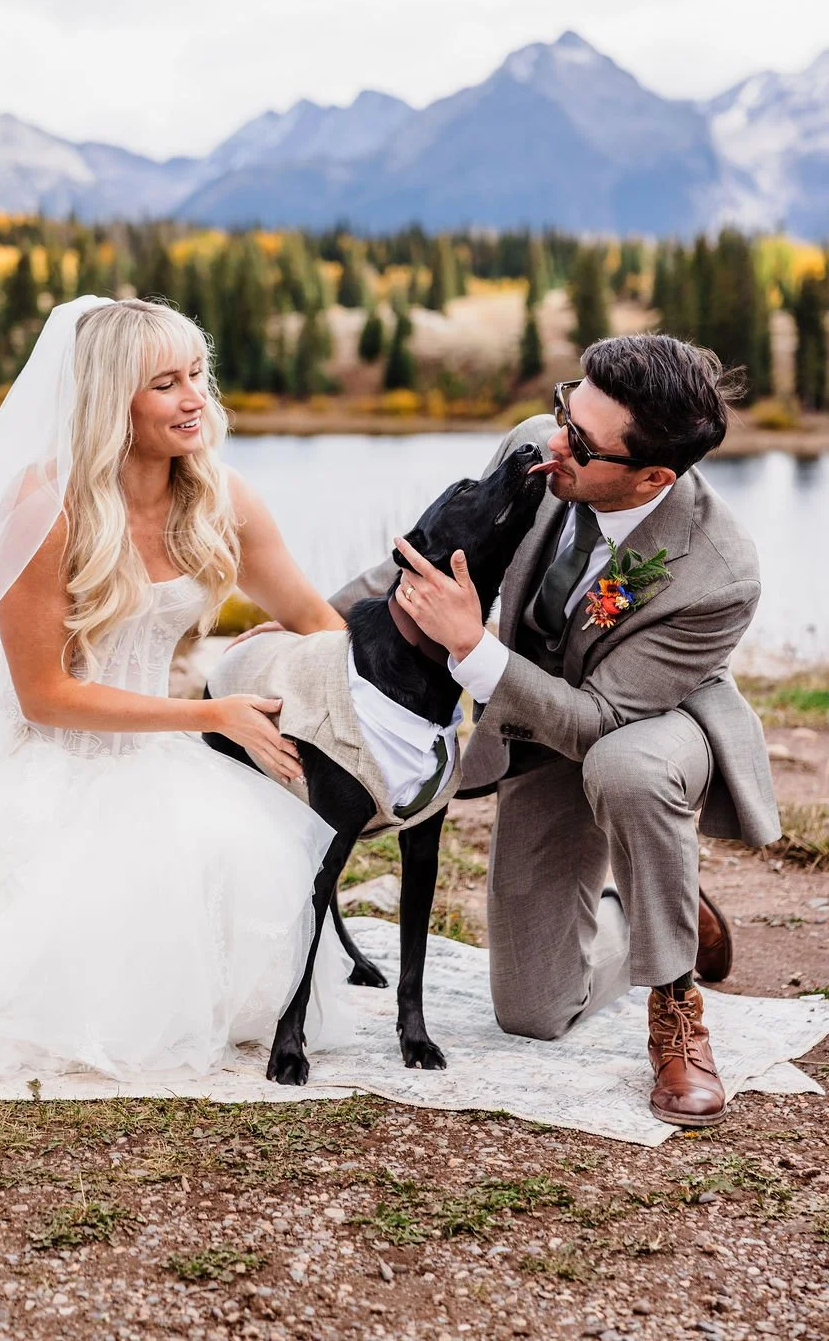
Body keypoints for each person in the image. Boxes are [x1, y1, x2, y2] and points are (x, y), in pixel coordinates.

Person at [0, 296, 351, 1082]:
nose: (195, 397)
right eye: (165, 382)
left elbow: (315, 618)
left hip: (159, 759)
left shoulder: (222, 500)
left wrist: (286, 662)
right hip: (37, 755)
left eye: (198, 374)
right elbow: (43, 694)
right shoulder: (45, 505)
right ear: (108, 399)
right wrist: (210, 710)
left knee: (230, 881)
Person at [331, 335, 780, 1127]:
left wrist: (472, 647)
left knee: (626, 769)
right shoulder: (543, 446)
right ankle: (643, 905)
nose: (556, 440)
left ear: (652, 477)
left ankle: (675, 1003)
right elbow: (425, 564)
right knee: (532, 1012)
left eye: (583, 439)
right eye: (565, 408)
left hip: (650, 721)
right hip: (535, 719)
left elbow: (605, 717)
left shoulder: (718, 570)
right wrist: (299, 630)